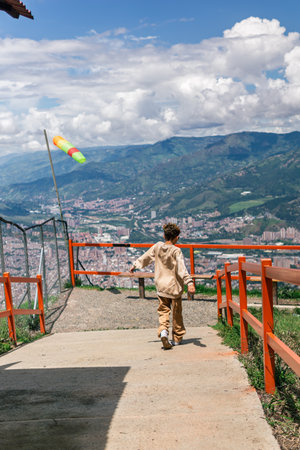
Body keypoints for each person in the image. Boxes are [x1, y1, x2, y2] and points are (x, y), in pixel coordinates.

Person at [130, 223, 195, 350]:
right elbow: (182, 269)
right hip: (174, 287)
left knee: (163, 311)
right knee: (177, 314)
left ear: (164, 235)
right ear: (176, 237)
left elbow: (146, 257)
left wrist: (135, 264)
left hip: (161, 286)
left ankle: (164, 331)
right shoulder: (176, 251)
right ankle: (176, 338)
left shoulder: (157, 246)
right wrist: (189, 282)